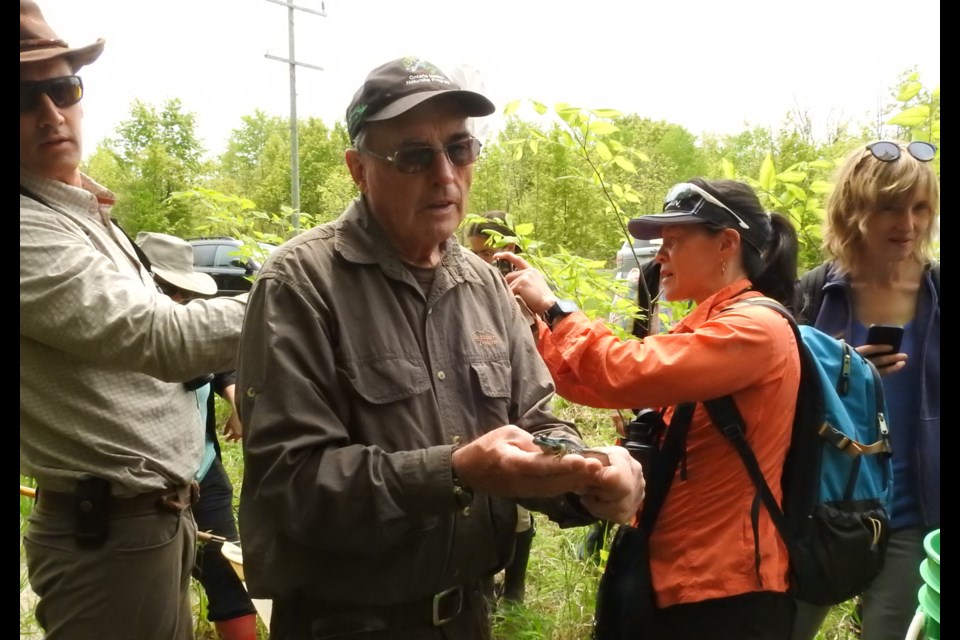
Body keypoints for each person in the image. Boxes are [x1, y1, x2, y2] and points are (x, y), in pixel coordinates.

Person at [236, 56, 645, 640]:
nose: (446, 176)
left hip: (469, 616)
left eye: (459, 149)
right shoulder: (300, 285)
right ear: (358, 168)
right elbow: (291, 483)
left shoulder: (483, 285)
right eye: (413, 156)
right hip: (345, 624)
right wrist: (454, 472)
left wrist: (588, 475)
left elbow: (537, 424)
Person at [19, 2, 246, 637]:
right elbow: (159, 336)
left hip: (150, 522)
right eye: (22, 97)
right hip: (108, 540)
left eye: (62, 87)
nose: (48, 112)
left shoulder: (79, 210)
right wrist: (308, 289)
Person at [500, 178, 801, 639]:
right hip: (674, 571)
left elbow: (625, 370)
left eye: (674, 241)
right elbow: (593, 385)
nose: (660, 255)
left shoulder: (756, 327)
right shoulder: (706, 324)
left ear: (726, 243)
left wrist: (556, 308)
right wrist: (535, 321)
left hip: (726, 590)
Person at [791, 140, 940, 640]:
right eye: (890, 207)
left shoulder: (938, 292)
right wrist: (838, 370)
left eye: (920, 208)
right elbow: (771, 396)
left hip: (916, 511)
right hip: (819, 508)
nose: (909, 224)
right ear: (854, 210)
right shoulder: (810, 295)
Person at [137, 232, 259, 640]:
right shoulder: (122, 341)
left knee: (226, 568)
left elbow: (218, 365)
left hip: (203, 475)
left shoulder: (188, 331)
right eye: (167, 290)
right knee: (159, 595)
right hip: (144, 490)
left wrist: (236, 399)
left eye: (182, 292)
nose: (178, 301)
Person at [466, 211, 535, 604]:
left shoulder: (523, 285)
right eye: (475, 253)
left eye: (487, 253)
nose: (481, 260)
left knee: (518, 499)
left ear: (507, 247)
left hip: (515, 399)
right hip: (480, 398)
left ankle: (514, 587)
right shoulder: (471, 283)